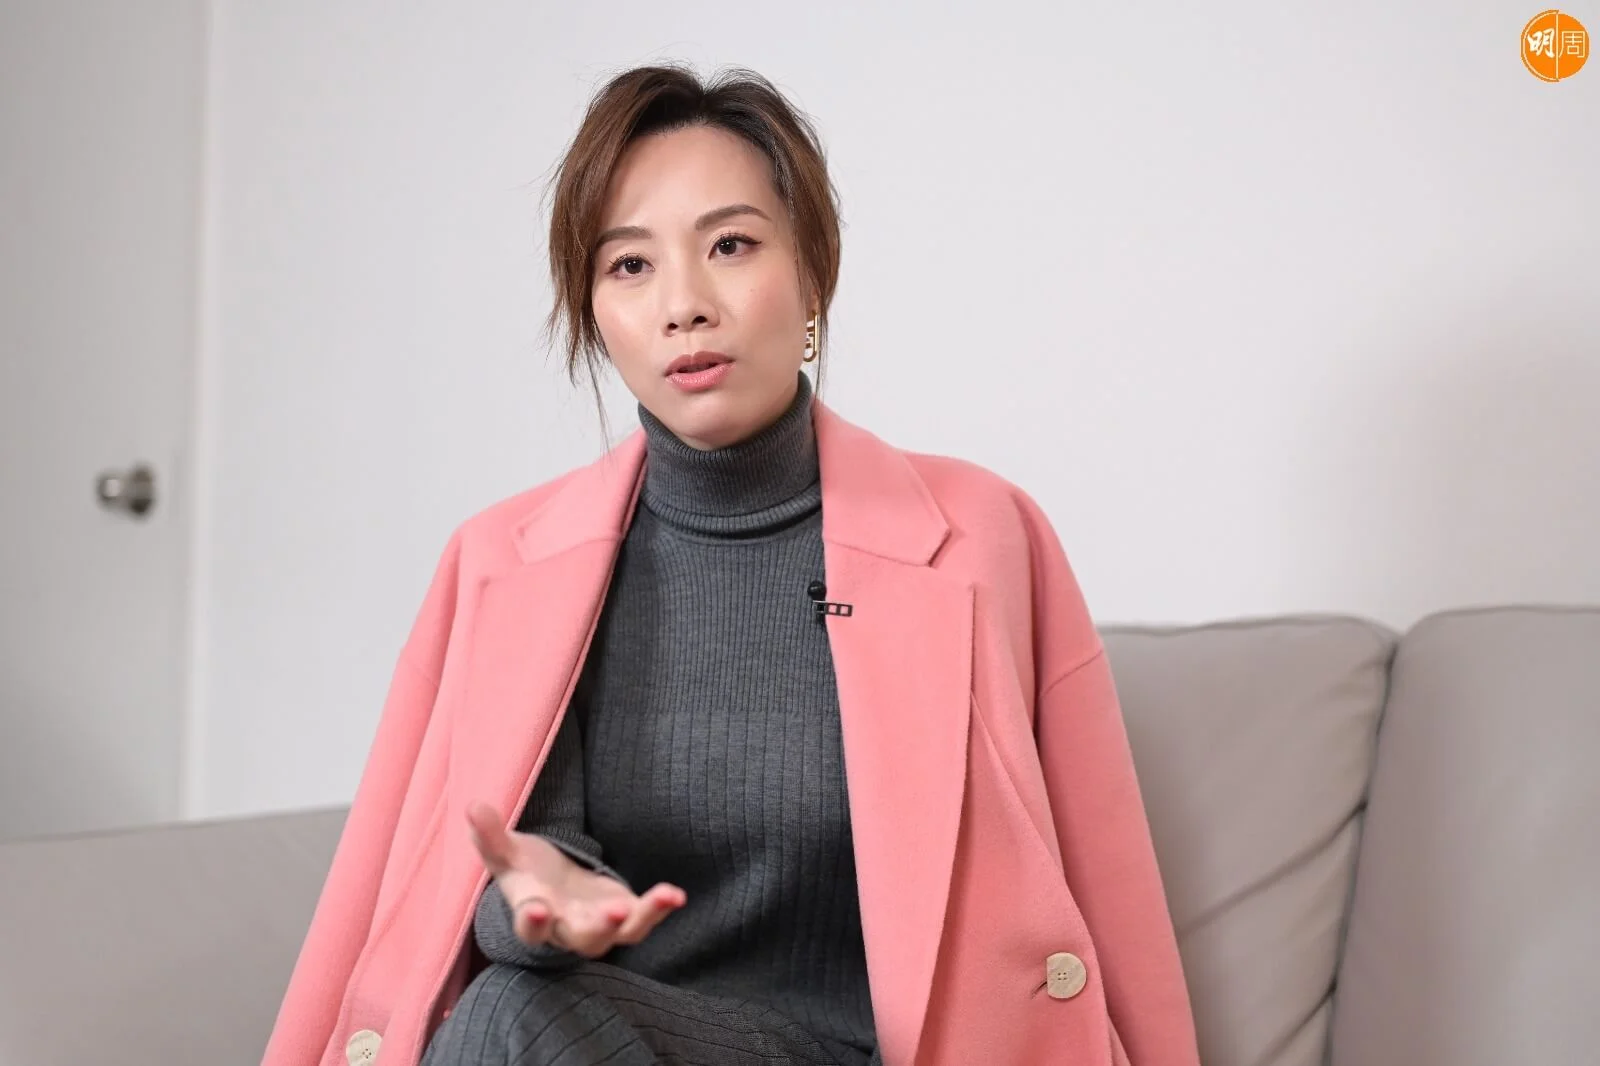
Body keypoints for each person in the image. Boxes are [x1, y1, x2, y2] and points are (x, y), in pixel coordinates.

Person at [262, 63, 1200, 1066]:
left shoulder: (980, 535)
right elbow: (468, 885)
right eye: (630, 265)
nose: (684, 305)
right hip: (604, 1043)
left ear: (813, 277)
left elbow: (1109, 898)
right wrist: (535, 901)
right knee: (507, 1011)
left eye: (731, 245)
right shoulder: (504, 564)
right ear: (594, 316)